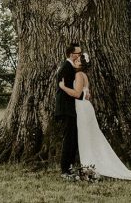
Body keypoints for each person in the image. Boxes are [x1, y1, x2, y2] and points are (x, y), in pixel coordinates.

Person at [58, 53, 131, 180]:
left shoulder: (79, 75)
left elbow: (76, 94)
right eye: (76, 59)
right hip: (84, 107)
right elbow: (86, 93)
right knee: (87, 137)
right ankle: (88, 163)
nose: (75, 61)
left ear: (82, 64)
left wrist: (63, 87)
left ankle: (89, 165)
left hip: (82, 109)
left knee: (85, 137)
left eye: (78, 60)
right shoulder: (83, 75)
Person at [54, 43, 82, 176]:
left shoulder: (71, 67)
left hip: (70, 106)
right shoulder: (66, 67)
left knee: (72, 137)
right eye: (78, 53)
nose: (80, 55)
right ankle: (65, 169)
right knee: (68, 137)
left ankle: (69, 166)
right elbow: (64, 89)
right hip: (66, 107)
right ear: (72, 54)